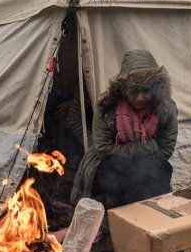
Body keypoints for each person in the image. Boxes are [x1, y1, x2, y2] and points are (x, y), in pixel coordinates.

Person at [70, 49, 178, 211]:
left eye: (146, 90)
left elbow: (166, 149)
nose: (140, 98)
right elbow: (103, 149)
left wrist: (140, 156)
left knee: (158, 168)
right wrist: (149, 146)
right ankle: (109, 223)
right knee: (114, 176)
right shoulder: (106, 107)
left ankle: (148, 217)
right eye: (134, 91)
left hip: (147, 164)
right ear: (123, 89)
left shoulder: (165, 108)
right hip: (107, 163)